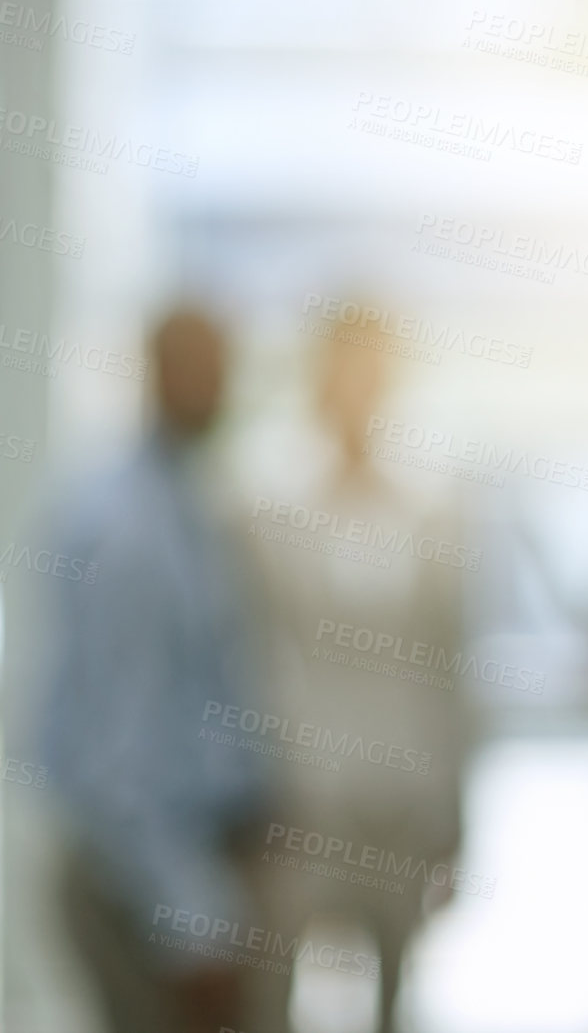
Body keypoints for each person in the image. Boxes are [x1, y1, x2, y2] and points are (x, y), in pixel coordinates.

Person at [239, 316, 478, 1033]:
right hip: (303, 799)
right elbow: (251, 657)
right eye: (343, 369)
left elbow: (448, 674)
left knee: (397, 994)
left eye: (372, 371)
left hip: (402, 802)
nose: (357, 389)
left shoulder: (431, 515)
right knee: (276, 993)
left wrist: (456, 811)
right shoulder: (270, 509)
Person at [39, 307, 265, 1033]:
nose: (218, 386)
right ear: (159, 371)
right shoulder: (128, 527)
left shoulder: (182, 501)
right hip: (133, 881)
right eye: (201, 367)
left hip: (167, 872)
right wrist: (194, 921)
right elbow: (118, 756)